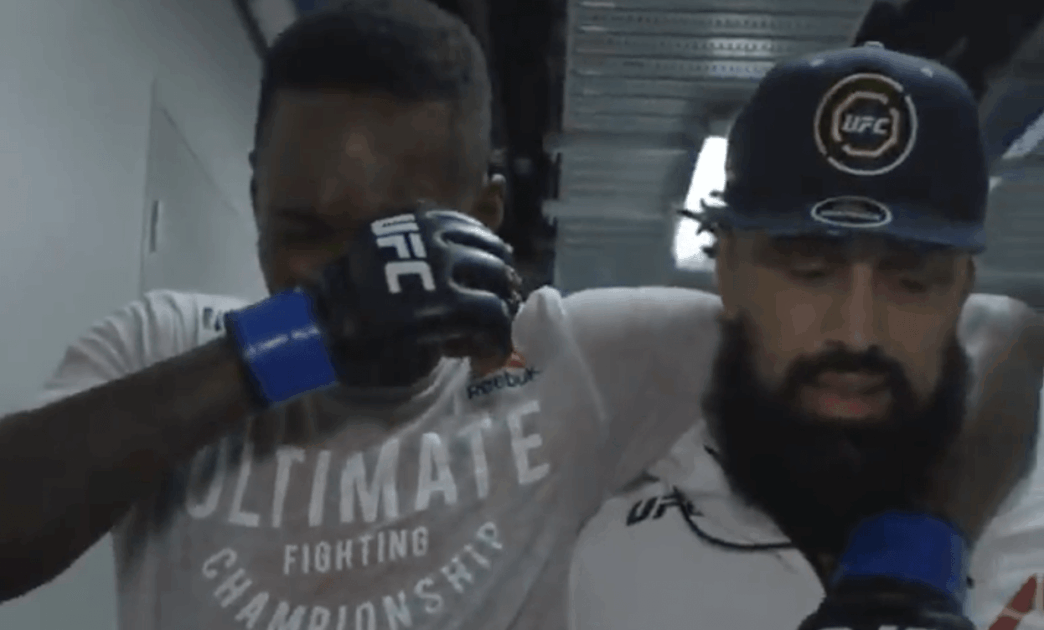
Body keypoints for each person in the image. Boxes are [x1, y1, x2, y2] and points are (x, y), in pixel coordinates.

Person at [0, 4, 1034, 629]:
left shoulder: (580, 358)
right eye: (308, 233)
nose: (352, 276)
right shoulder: (168, 347)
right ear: (256, 196)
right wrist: (286, 345)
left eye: (397, 236)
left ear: (485, 215)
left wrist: (911, 557)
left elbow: (1000, 335)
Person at [567, 43, 1044, 630]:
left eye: (911, 281)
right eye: (810, 272)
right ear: (728, 273)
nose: (857, 331)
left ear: (961, 289)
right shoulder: (606, 548)